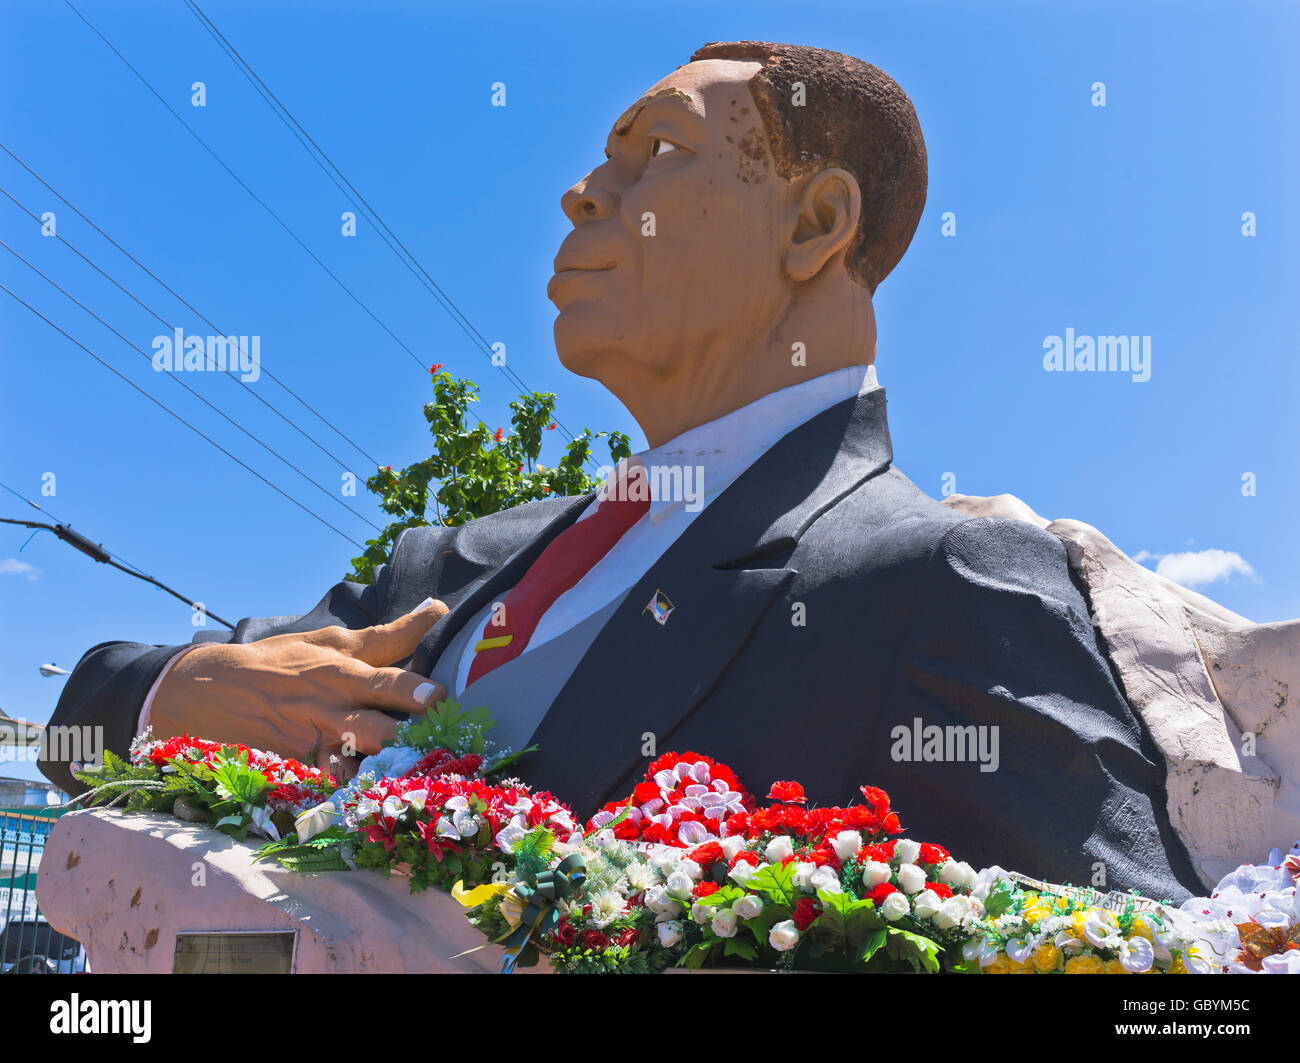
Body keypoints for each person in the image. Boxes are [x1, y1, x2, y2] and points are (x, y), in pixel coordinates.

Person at [41, 42, 1204, 901]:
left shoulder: (940, 583)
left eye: (652, 152)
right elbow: (75, 724)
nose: (582, 192)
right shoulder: (448, 563)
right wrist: (170, 695)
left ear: (814, 224)